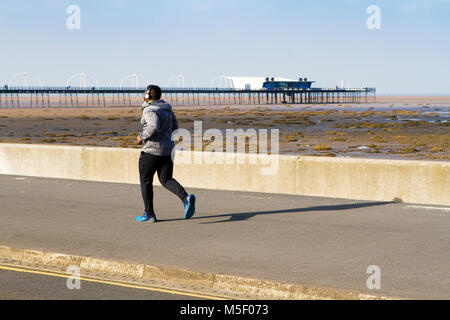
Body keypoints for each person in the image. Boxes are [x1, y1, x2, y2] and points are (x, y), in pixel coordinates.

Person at [136, 85, 195, 222]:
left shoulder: (150, 110)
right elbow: (175, 127)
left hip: (151, 152)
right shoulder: (167, 109)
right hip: (168, 151)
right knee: (166, 179)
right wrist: (166, 139)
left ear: (148, 96)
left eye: (145, 93)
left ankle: (149, 214)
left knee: (146, 181)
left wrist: (141, 137)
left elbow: (153, 126)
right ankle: (185, 198)